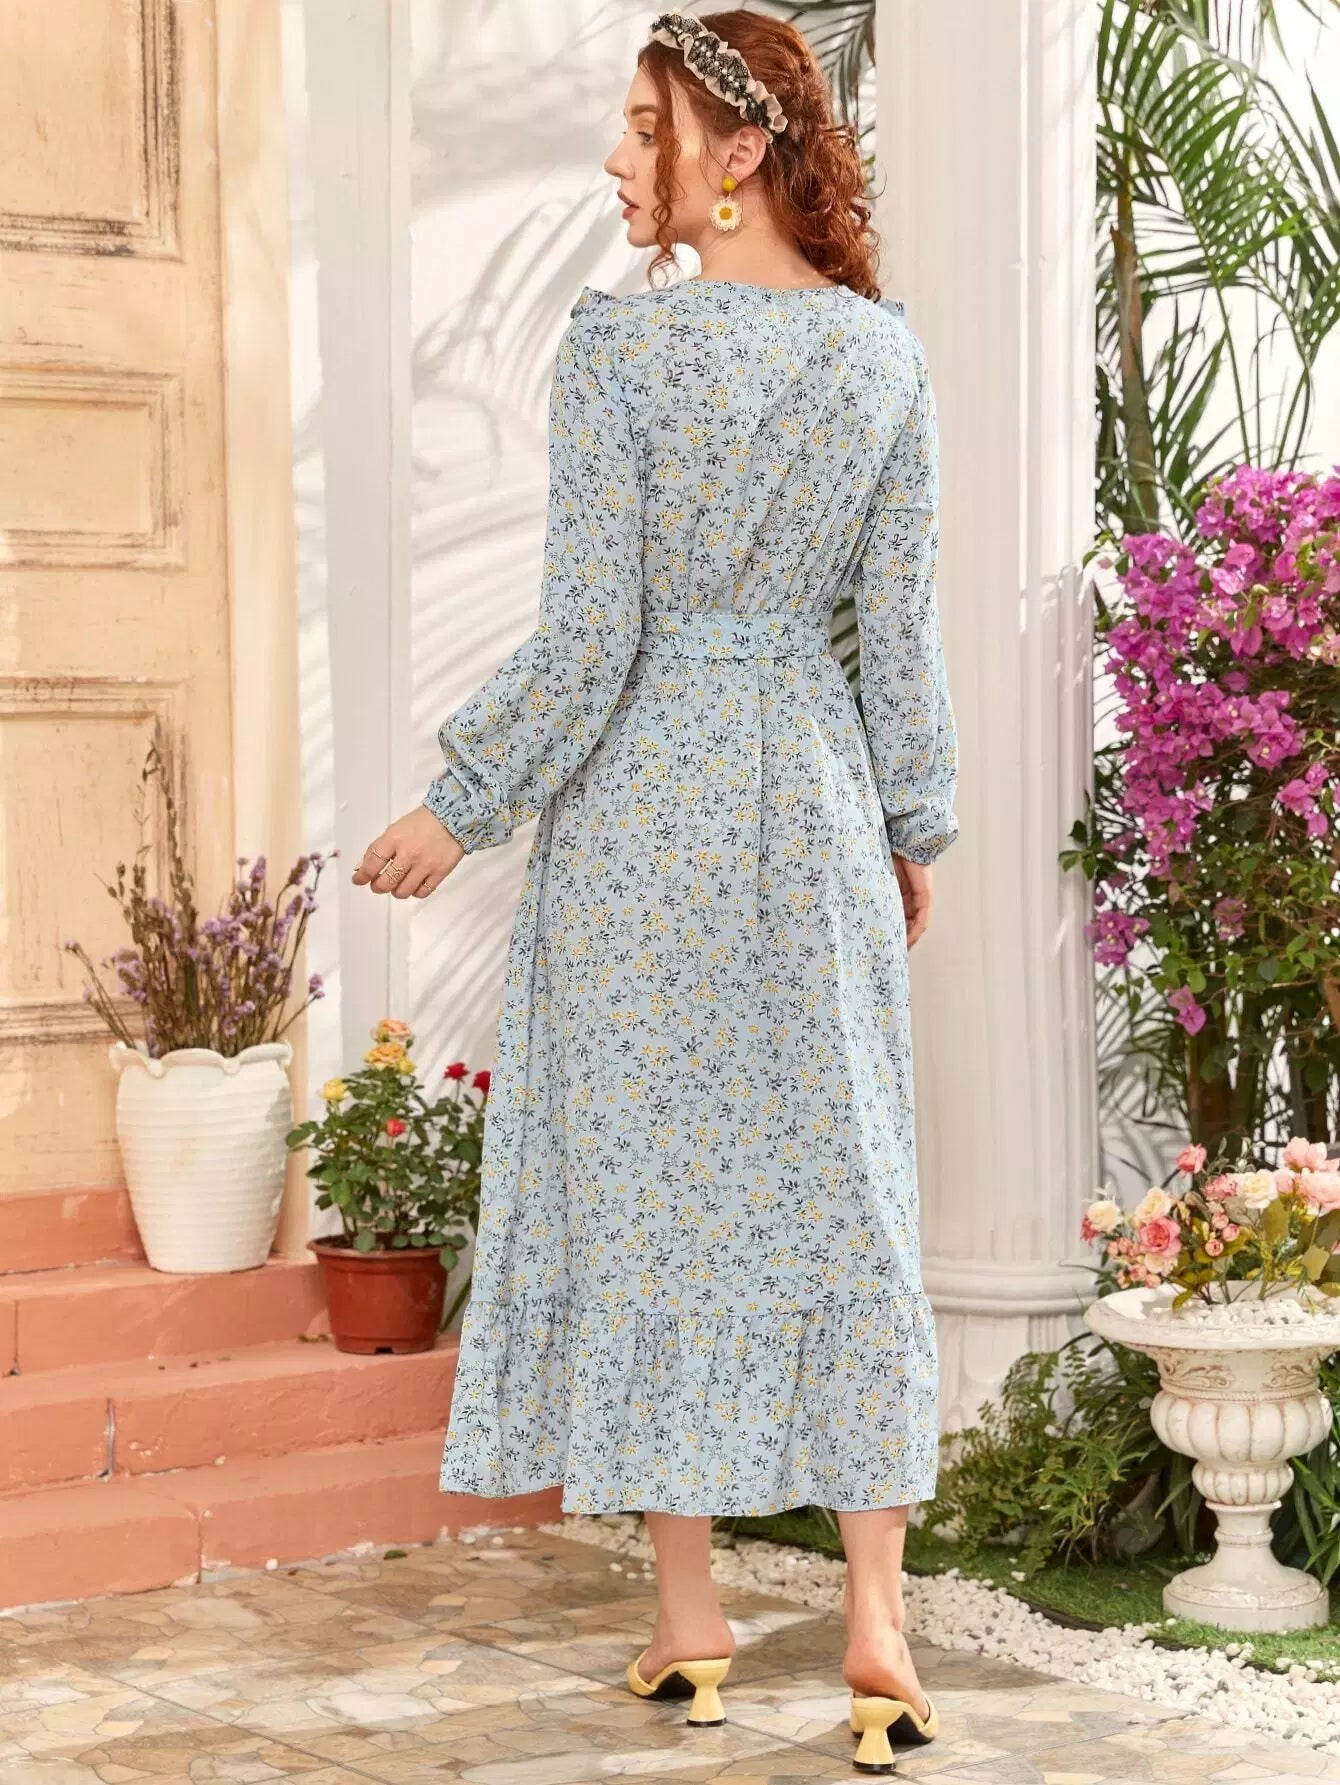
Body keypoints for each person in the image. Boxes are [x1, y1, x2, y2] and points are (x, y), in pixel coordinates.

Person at [352, 8, 957, 1772]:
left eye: (644, 128)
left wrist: (461, 803)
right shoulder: (882, 361)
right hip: (811, 806)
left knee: (648, 1202)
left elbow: (594, 637)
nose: (617, 160)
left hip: (636, 822)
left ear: (738, 154)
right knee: (845, 1193)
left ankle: (692, 1617)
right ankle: (877, 1623)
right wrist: (907, 826)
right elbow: (896, 633)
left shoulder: (618, 353)